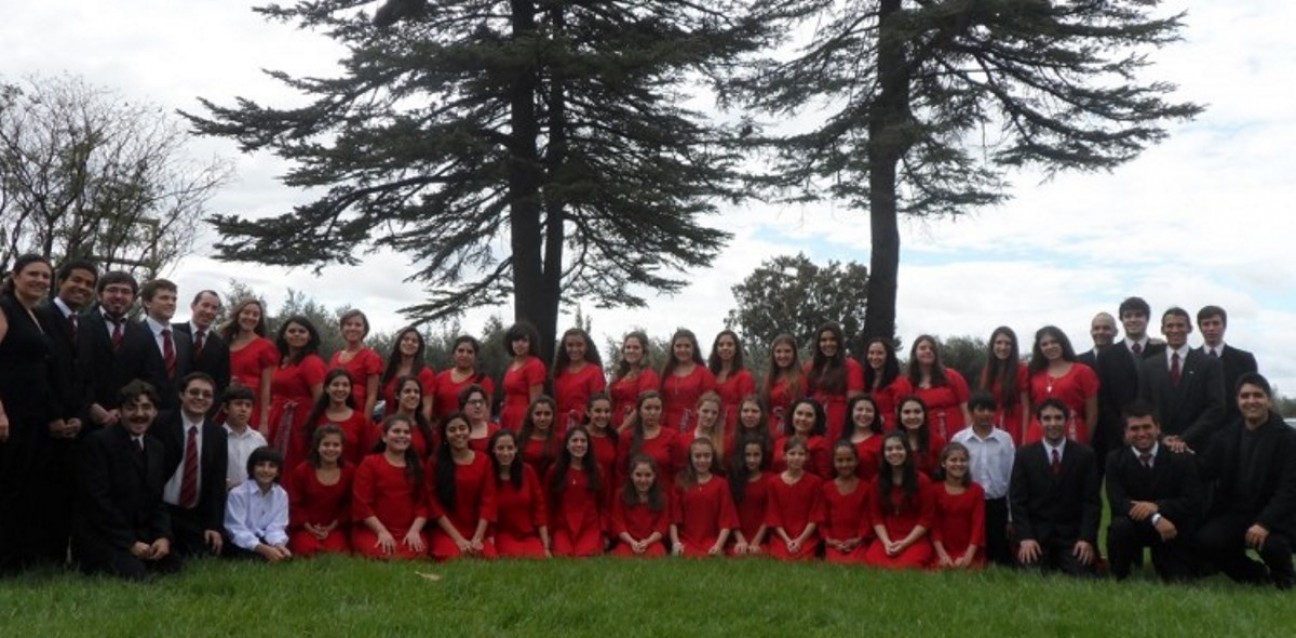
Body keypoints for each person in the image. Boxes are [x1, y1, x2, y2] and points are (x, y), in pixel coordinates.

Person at [72, 381, 181, 580]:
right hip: (103, 535)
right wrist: (129, 542)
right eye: (132, 407)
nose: (140, 414)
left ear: (155, 412)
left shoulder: (156, 447)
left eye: (147, 407)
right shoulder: (97, 444)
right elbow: (97, 502)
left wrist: (163, 536)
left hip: (138, 533)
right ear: (119, 411)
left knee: (172, 564)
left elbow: (156, 500)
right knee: (136, 574)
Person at [1197, 373, 1296, 589]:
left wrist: (1264, 523)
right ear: (1237, 401)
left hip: (1279, 516)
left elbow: (1289, 490)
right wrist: (1181, 454)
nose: (1251, 401)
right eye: (1245, 396)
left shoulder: (1289, 439)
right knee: (1208, 540)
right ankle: (1256, 577)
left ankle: (1286, 579)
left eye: (1257, 395)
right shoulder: (1226, 436)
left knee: (1271, 545)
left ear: (1268, 400)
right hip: (1239, 513)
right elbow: (1204, 469)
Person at [0, 255, 62, 569]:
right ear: (15, 275)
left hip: (32, 414)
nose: (40, 280)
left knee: (22, 486)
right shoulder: (4, 307)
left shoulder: (36, 314)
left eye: (45, 276)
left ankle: (15, 557)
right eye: (33, 274)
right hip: (8, 413)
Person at [32, 258, 96, 565]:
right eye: (77, 280)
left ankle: (56, 557)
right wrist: (53, 416)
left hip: (75, 427)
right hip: (41, 423)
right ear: (61, 281)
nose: (82, 288)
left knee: (66, 494)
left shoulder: (84, 325)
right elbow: (38, 372)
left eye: (88, 284)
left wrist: (80, 418)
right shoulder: (40, 316)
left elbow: (87, 378)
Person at [1104, 400, 1201, 582]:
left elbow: (1193, 501)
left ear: (1158, 428)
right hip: (1134, 526)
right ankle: (1121, 573)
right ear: (1125, 433)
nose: (1141, 433)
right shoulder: (1114, 460)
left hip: (1171, 529)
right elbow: (1118, 503)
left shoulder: (1181, 458)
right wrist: (1154, 517)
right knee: (1119, 526)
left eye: (1147, 427)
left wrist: (1157, 507)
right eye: (1134, 428)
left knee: (1180, 581)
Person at [1010, 399, 1100, 576]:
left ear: (1066, 421)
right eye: (1047, 418)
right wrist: (1026, 537)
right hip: (1037, 536)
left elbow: (1092, 503)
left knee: (1083, 575)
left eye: (1058, 418)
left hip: (1072, 537)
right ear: (1039, 422)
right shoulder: (1024, 455)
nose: (1053, 423)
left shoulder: (1085, 455)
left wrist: (1086, 539)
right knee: (1030, 576)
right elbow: (1018, 501)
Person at [150, 372, 229, 558]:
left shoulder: (218, 435)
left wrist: (213, 525)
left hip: (193, 513)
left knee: (206, 552)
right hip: (161, 509)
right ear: (181, 395)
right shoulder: (160, 423)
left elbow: (217, 484)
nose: (200, 398)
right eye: (194, 392)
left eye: (207, 394)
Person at [79, 271, 167, 436]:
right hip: (84, 423)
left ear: (134, 299)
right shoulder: (81, 325)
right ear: (99, 294)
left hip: (127, 423)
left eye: (125, 292)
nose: (119, 296)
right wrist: (89, 406)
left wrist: (125, 408)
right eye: (112, 290)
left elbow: (151, 376)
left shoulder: (143, 334)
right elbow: (72, 373)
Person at [1137, 307, 1224, 454]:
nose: (1175, 330)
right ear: (1162, 329)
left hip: (1198, 446)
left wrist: (1184, 438)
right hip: (1159, 446)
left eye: (1180, 325)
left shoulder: (1209, 364)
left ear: (1189, 329)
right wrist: (1162, 437)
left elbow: (1216, 407)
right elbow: (1144, 406)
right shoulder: (1148, 365)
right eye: (1170, 326)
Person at [1094, 296, 1164, 478]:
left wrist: (1157, 430)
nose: (1133, 319)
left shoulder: (1162, 350)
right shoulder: (1107, 355)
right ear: (1122, 320)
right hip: (1119, 439)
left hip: (1158, 436)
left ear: (1147, 319)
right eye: (1128, 315)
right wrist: (1123, 431)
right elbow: (1104, 400)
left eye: (1139, 315)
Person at [351, 416, 429, 559]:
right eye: (396, 431)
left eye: (406, 432)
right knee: (380, 551)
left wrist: (414, 531)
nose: (402, 436)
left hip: (407, 530)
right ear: (384, 437)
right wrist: (381, 532)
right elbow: (362, 504)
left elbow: (423, 504)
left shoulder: (417, 466)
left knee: (417, 549)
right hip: (374, 529)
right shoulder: (370, 464)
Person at [951, 391, 1015, 566]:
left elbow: (1010, 477)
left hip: (996, 504)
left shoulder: (1005, 439)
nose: (986, 414)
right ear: (971, 412)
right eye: (981, 409)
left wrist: (1010, 516)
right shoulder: (960, 439)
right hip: (968, 504)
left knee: (1000, 556)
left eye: (990, 409)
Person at [428, 412, 497, 560]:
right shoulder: (435, 463)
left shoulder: (484, 461)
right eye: (452, 430)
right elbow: (434, 505)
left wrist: (478, 537)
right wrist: (458, 539)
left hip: (476, 528)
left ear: (469, 431)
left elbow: (488, 501)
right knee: (453, 556)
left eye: (462, 428)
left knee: (488, 557)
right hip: (447, 530)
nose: (458, 433)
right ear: (445, 436)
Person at [864, 432, 935, 569]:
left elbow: (926, 519)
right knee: (874, 563)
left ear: (907, 451)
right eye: (889, 449)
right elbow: (876, 517)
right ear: (883, 454)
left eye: (899, 448)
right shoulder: (876, 481)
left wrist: (905, 543)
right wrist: (886, 542)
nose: (894, 452)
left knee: (907, 566)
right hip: (888, 535)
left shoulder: (923, 481)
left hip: (914, 537)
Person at [287, 424, 353, 557]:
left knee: (337, 552)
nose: (331, 449)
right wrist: (309, 527)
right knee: (308, 550)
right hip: (304, 528)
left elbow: (349, 504)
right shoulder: (302, 471)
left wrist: (331, 527)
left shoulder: (350, 471)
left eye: (336, 445)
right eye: (326, 444)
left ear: (342, 448)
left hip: (335, 527)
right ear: (317, 447)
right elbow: (295, 503)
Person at [1025, 326, 1099, 445]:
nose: (1050, 346)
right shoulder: (1033, 373)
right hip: (1038, 433)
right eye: (1044, 344)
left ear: (1063, 343)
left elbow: (1092, 414)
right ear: (1039, 348)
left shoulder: (1083, 371)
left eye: (1054, 342)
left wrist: (1085, 442)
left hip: (1072, 432)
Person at [890, 335, 971, 440]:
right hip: (926, 441)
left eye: (931, 348)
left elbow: (967, 410)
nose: (928, 351)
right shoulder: (907, 384)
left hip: (957, 438)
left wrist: (968, 437)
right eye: (923, 348)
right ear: (915, 353)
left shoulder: (952, 376)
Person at [267, 315, 326, 456]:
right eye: (292, 331)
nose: (297, 334)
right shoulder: (281, 362)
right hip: (277, 417)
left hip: (300, 422)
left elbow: (320, 400)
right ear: (284, 336)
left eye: (302, 331)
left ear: (310, 336)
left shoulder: (312, 362)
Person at [670, 438, 737, 557]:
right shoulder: (681, 481)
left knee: (709, 555)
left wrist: (718, 546)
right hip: (687, 539)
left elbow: (726, 520)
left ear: (712, 458)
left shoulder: (721, 484)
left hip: (711, 540)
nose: (702, 460)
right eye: (697, 456)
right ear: (691, 458)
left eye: (707, 456)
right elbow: (673, 518)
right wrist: (676, 543)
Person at [488, 430, 550, 558]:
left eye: (510, 448)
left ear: (516, 449)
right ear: (493, 450)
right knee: (512, 555)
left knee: (537, 557)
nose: (506, 453)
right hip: (502, 535)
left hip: (527, 534)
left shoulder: (527, 471)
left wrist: (546, 546)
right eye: (500, 448)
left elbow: (540, 508)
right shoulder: (488, 475)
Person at [223, 446, 291, 562]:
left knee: (283, 551)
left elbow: (276, 527)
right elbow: (236, 529)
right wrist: (263, 549)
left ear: (278, 472)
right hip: (240, 540)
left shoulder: (281, 494)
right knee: (249, 554)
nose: (266, 470)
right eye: (261, 465)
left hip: (264, 538)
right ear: (252, 468)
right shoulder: (238, 494)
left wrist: (278, 545)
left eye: (272, 466)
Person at [547, 426, 604, 557]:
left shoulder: (598, 471)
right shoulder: (554, 471)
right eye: (575, 441)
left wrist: (604, 532)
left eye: (583, 441)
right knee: (562, 554)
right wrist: (549, 533)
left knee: (586, 555)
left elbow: (603, 503)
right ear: (567, 445)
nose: (579, 444)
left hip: (589, 526)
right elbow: (549, 503)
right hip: (563, 526)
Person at [222, 298, 278, 433]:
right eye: (246, 313)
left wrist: (264, 421)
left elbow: (267, 386)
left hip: (251, 408)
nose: (250, 317)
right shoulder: (226, 344)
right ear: (238, 315)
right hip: (227, 406)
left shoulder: (265, 346)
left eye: (255, 314)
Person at [1195, 305, 1258, 424]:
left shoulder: (1244, 360)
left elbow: (1252, 395)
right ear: (1200, 327)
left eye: (1215, 323)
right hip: (1200, 431)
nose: (1211, 328)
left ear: (1224, 325)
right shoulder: (1190, 360)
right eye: (1206, 324)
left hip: (1236, 429)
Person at [765, 436, 824, 561]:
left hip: (805, 536)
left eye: (801, 454)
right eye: (792, 453)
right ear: (784, 456)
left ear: (807, 457)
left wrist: (800, 540)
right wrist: (787, 540)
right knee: (783, 558)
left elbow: (815, 516)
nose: (796, 458)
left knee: (803, 558)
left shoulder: (815, 482)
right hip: (782, 536)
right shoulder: (773, 482)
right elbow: (773, 515)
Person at [804, 322, 865, 442]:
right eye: (823, 340)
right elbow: (803, 396)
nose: (828, 343)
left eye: (832, 339)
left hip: (840, 420)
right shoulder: (810, 366)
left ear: (839, 342)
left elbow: (855, 403)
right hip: (814, 418)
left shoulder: (851, 366)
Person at [299, 369, 370, 470]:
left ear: (350, 389)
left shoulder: (360, 420)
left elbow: (364, 455)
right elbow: (305, 452)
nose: (340, 389)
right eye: (336, 384)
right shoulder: (315, 417)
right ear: (327, 388)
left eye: (345, 385)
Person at [931, 442, 986, 570]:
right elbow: (935, 526)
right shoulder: (934, 490)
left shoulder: (977, 490)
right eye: (953, 460)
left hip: (970, 548)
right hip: (943, 548)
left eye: (963, 460)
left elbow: (978, 526)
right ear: (944, 463)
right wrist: (942, 555)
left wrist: (968, 556)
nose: (959, 464)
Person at [139, 278, 192, 410]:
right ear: (147, 302)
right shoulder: (134, 334)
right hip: (142, 413)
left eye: (174, 299)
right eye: (164, 298)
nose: (171, 303)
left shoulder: (184, 339)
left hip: (175, 416)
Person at [618, 391, 684, 492]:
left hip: (664, 496)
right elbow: (621, 471)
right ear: (639, 411)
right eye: (648, 408)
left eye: (657, 408)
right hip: (634, 497)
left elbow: (679, 471)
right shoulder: (627, 437)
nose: (652, 413)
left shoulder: (672, 436)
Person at [174, 290, 231, 404]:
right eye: (205, 305)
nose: (209, 311)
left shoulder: (221, 346)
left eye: (214, 308)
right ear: (193, 306)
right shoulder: (172, 333)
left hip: (201, 410)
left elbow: (222, 385)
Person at [977, 326, 1029, 445]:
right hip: (992, 422)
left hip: (1015, 421)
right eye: (999, 343)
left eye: (1008, 343)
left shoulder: (1021, 370)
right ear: (992, 345)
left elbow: (1026, 407)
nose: (1003, 347)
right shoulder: (988, 371)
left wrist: (1025, 437)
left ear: (1013, 347)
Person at [821, 441, 870, 564]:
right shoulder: (826, 488)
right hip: (834, 542)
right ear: (833, 462)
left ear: (856, 461)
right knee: (834, 564)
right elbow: (822, 518)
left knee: (858, 563)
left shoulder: (866, 488)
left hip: (858, 541)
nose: (844, 464)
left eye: (849, 460)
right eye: (840, 460)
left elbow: (867, 518)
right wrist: (829, 540)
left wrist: (859, 539)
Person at [611, 455, 669, 557]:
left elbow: (662, 526)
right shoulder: (620, 495)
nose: (643, 480)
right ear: (631, 475)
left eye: (648, 475)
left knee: (656, 553)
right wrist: (632, 542)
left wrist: (647, 542)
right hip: (628, 542)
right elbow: (618, 523)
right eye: (638, 475)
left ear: (654, 476)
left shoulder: (663, 497)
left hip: (652, 542)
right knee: (623, 554)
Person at [659, 328, 717, 431]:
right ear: (673, 348)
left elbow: (711, 403)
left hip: (694, 425)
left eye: (687, 346)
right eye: (678, 346)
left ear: (693, 348)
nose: (682, 350)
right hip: (666, 425)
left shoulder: (704, 373)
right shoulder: (666, 372)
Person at [329, 310, 382, 419]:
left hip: (357, 413)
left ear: (364, 330)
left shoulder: (371, 357)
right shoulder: (335, 357)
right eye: (348, 324)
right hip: (334, 412)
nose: (353, 328)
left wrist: (365, 423)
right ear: (342, 329)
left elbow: (372, 396)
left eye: (358, 325)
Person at [552, 327, 606, 433]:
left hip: (583, 425)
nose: (574, 349)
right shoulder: (559, 371)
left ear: (586, 347)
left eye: (579, 345)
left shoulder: (594, 371)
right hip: (558, 425)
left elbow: (597, 403)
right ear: (564, 347)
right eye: (570, 345)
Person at [380, 327, 436, 423]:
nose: (410, 343)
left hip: (412, 428)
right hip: (388, 427)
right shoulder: (390, 370)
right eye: (406, 339)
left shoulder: (425, 373)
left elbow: (427, 408)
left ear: (419, 346)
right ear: (399, 343)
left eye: (414, 341)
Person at [728, 435, 772, 556]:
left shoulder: (770, 479)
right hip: (737, 535)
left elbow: (770, 512)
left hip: (761, 536)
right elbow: (730, 511)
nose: (752, 460)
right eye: (748, 455)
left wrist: (756, 540)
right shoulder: (733, 479)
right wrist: (740, 538)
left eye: (756, 455)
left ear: (763, 456)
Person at [433, 335, 495, 421]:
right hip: (443, 430)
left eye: (470, 352)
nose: (465, 355)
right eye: (461, 351)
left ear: (475, 356)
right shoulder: (440, 378)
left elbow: (486, 415)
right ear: (454, 353)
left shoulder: (484, 381)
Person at [374, 376, 436, 459]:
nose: (413, 395)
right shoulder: (383, 427)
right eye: (407, 391)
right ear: (397, 395)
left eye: (416, 392)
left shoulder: (426, 430)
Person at [500, 321, 546, 431]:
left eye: (524, 340)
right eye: (516, 340)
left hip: (523, 418)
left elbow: (535, 402)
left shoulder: (535, 365)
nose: (519, 344)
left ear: (531, 343)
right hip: (507, 415)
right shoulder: (512, 365)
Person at [608, 331, 659, 430]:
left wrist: (621, 429)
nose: (631, 350)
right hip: (614, 425)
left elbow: (644, 406)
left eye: (636, 348)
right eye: (628, 347)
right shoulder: (621, 375)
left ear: (644, 351)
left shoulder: (649, 375)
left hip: (634, 428)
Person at [222, 385, 268, 489]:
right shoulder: (216, 437)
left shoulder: (259, 440)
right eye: (238, 404)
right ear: (225, 408)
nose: (243, 409)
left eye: (248, 405)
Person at [772, 397, 831, 479]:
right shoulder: (779, 441)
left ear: (816, 420)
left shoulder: (821, 444)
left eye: (809, 415)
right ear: (792, 415)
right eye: (799, 413)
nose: (803, 418)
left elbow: (825, 478)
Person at [708, 330, 755, 431]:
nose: (725, 347)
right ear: (716, 349)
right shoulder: (709, 375)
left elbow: (748, 406)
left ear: (736, 349)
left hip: (734, 426)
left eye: (729, 344)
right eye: (721, 345)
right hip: (711, 423)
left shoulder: (744, 377)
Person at [762, 334, 803, 438]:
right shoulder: (769, 379)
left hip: (792, 429)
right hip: (770, 429)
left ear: (794, 354)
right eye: (778, 351)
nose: (782, 355)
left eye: (787, 351)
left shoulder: (800, 379)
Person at [895, 395, 945, 479]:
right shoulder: (892, 441)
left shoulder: (938, 442)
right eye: (907, 412)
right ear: (900, 415)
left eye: (917, 412)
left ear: (924, 414)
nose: (912, 416)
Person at [678, 392, 729, 470]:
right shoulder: (683, 440)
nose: (709, 416)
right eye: (705, 411)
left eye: (714, 413)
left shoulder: (724, 442)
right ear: (697, 410)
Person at [583, 393, 620, 495]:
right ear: (588, 412)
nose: (603, 415)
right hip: (583, 492)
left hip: (607, 493)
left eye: (607, 411)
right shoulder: (579, 435)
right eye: (598, 411)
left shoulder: (614, 438)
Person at [842, 395, 884, 482]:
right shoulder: (840, 439)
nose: (864, 413)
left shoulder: (882, 441)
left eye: (869, 410)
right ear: (851, 412)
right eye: (859, 409)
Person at [862, 337, 902, 427]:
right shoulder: (864, 381)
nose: (874, 357)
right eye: (871, 353)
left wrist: (881, 419)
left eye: (879, 353)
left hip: (889, 434)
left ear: (888, 356)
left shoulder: (899, 383)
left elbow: (902, 415)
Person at [518, 395, 561, 480]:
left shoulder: (560, 441)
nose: (542, 418)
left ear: (553, 416)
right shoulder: (519, 439)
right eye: (538, 414)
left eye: (547, 414)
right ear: (531, 416)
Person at [459, 384, 499, 453]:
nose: (478, 406)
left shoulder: (496, 431)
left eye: (481, 402)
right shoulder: (457, 431)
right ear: (463, 406)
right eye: (473, 402)